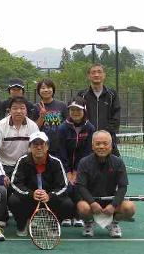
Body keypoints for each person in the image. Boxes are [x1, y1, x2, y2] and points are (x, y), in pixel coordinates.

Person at [10, 131, 73, 237]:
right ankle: (22, 225)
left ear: (47, 146)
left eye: (42, 144)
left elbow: (64, 186)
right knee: (13, 200)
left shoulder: (56, 162)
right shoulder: (22, 161)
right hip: (29, 200)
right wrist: (31, 194)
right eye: (35, 144)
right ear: (30, 147)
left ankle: (52, 225)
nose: (39, 147)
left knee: (68, 204)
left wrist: (50, 196)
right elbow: (15, 183)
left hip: (49, 200)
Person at [76, 130, 136, 238]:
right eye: (98, 143)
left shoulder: (118, 162)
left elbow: (123, 187)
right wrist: (93, 203)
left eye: (105, 143)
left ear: (111, 145)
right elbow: (81, 187)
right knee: (82, 207)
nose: (101, 147)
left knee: (130, 207)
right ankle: (89, 223)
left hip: (110, 202)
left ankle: (112, 223)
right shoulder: (84, 162)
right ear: (92, 145)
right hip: (91, 202)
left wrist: (113, 205)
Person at [58, 97, 95, 227]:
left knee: (80, 187)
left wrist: (77, 171)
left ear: (84, 111)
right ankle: (67, 216)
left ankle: (78, 216)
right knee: (67, 188)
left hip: (82, 167)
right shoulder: (63, 128)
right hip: (65, 167)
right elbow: (61, 151)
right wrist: (68, 171)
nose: (75, 112)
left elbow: (88, 152)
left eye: (78, 109)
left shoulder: (90, 128)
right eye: (72, 110)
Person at [0, 96, 39, 187]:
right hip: (5, 166)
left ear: (26, 110)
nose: (18, 111)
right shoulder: (1, 126)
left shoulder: (33, 126)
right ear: (9, 110)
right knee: (3, 189)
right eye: (15, 108)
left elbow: (35, 150)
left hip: (25, 165)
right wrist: (1, 173)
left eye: (22, 108)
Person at [77, 64, 121, 156]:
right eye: (93, 72)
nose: (96, 75)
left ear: (104, 75)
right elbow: (77, 117)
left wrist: (104, 135)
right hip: (86, 142)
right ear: (88, 76)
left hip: (107, 141)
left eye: (99, 72)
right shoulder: (81, 95)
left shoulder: (112, 94)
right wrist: (86, 133)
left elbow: (116, 117)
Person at [32, 78, 67, 156]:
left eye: (48, 87)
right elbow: (34, 128)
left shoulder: (62, 105)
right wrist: (41, 116)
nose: (46, 90)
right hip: (42, 146)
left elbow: (67, 125)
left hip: (60, 146)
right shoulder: (35, 107)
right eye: (43, 88)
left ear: (53, 89)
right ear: (39, 91)